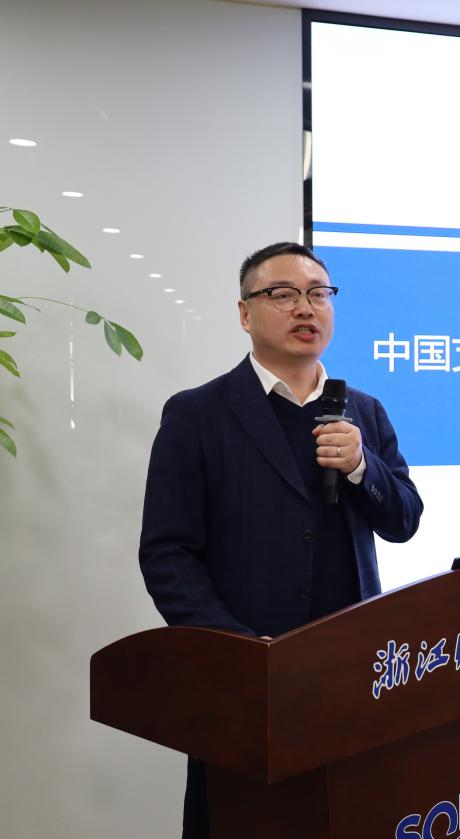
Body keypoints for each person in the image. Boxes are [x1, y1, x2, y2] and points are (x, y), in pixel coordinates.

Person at [138, 242, 422, 838]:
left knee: (348, 814)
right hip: (247, 675)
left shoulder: (364, 412)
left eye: (319, 294)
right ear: (245, 313)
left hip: (351, 667)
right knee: (243, 820)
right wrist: (237, 649)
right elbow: (167, 553)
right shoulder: (197, 414)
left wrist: (362, 467)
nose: (305, 308)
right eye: (283, 294)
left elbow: (404, 521)